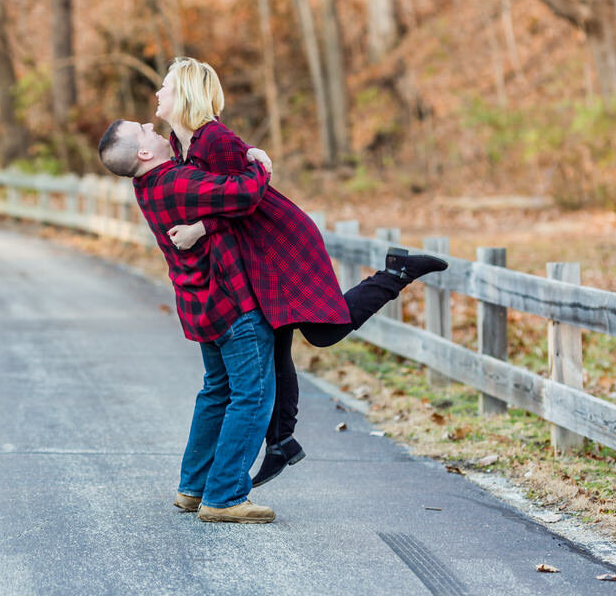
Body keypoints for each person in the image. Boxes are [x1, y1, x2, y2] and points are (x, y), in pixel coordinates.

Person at [153, 57, 448, 487]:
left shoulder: (214, 139)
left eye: (165, 86)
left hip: (278, 244)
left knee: (320, 333)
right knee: (276, 345)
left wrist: (201, 227)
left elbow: (246, 200)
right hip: (251, 251)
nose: (157, 94)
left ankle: (396, 274)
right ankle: (280, 442)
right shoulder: (185, 146)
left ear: (184, 94)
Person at [98, 119, 278, 524]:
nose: (151, 125)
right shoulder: (177, 181)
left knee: (217, 391)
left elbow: (219, 211)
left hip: (201, 306)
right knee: (252, 395)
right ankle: (225, 496)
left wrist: (204, 226)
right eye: (143, 130)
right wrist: (260, 165)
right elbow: (243, 194)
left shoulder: (154, 184)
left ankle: (193, 488)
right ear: (144, 153)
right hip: (230, 303)